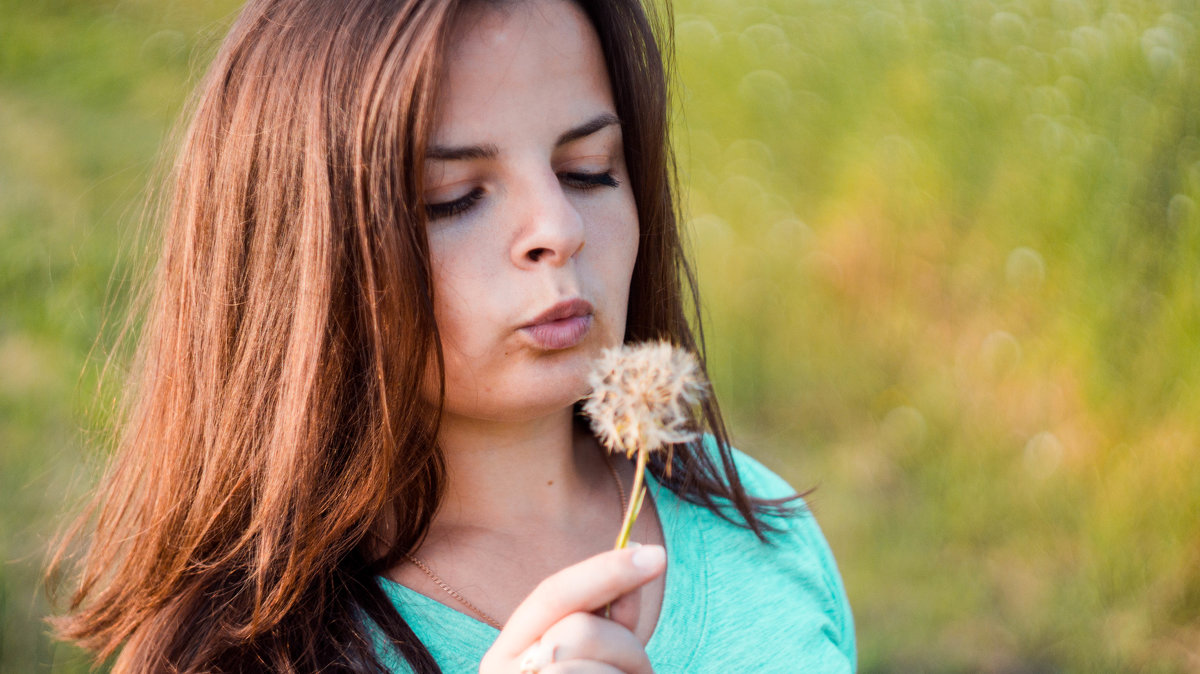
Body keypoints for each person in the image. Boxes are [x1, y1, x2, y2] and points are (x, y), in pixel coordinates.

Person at [49, 0, 855, 672]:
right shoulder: (242, 649)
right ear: (302, 260)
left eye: (588, 170)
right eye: (454, 197)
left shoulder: (762, 526)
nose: (558, 227)